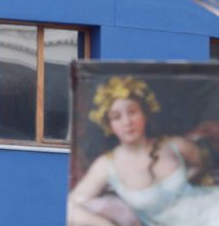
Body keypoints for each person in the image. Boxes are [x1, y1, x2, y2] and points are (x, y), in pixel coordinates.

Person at [67, 76, 219, 226]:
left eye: (132, 112)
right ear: (109, 125)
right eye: (116, 117)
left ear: (145, 114)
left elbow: (209, 164)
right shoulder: (106, 165)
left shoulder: (174, 145)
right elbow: (68, 208)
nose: (127, 122)